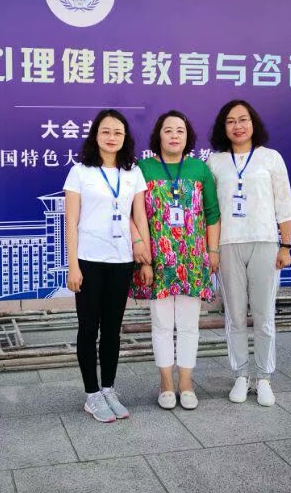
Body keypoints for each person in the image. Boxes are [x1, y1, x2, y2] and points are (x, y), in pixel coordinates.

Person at [64, 109, 151, 422]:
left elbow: (139, 217)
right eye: (106, 131)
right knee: (89, 328)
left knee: (113, 329)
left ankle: (109, 389)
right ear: (95, 136)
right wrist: (73, 266)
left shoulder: (132, 172)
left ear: (125, 137)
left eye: (118, 132)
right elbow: (71, 223)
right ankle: (92, 395)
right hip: (89, 260)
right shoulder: (80, 172)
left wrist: (146, 259)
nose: (112, 137)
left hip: (121, 260)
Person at [206, 100, 291, 407]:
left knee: (263, 315)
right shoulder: (215, 162)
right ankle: (241, 375)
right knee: (234, 316)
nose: (238, 126)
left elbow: (284, 204)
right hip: (228, 244)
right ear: (224, 127)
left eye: (243, 119)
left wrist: (285, 245)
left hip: (265, 242)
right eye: (231, 121)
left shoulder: (271, 158)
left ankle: (264, 377)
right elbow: (210, 211)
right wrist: (211, 249)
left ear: (253, 123)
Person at [130, 110, 220, 410]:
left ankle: (186, 383)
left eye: (180, 130)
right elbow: (133, 214)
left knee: (189, 324)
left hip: (192, 260)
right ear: (158, 135)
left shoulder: (199, 169)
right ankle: (166, 383)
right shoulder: (143, 169)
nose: (174, 135)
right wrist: (143, 256)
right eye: (168, 130)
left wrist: (213, 251)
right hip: (157, 260)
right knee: (161, 325)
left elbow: (212, 214)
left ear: (187, 136)